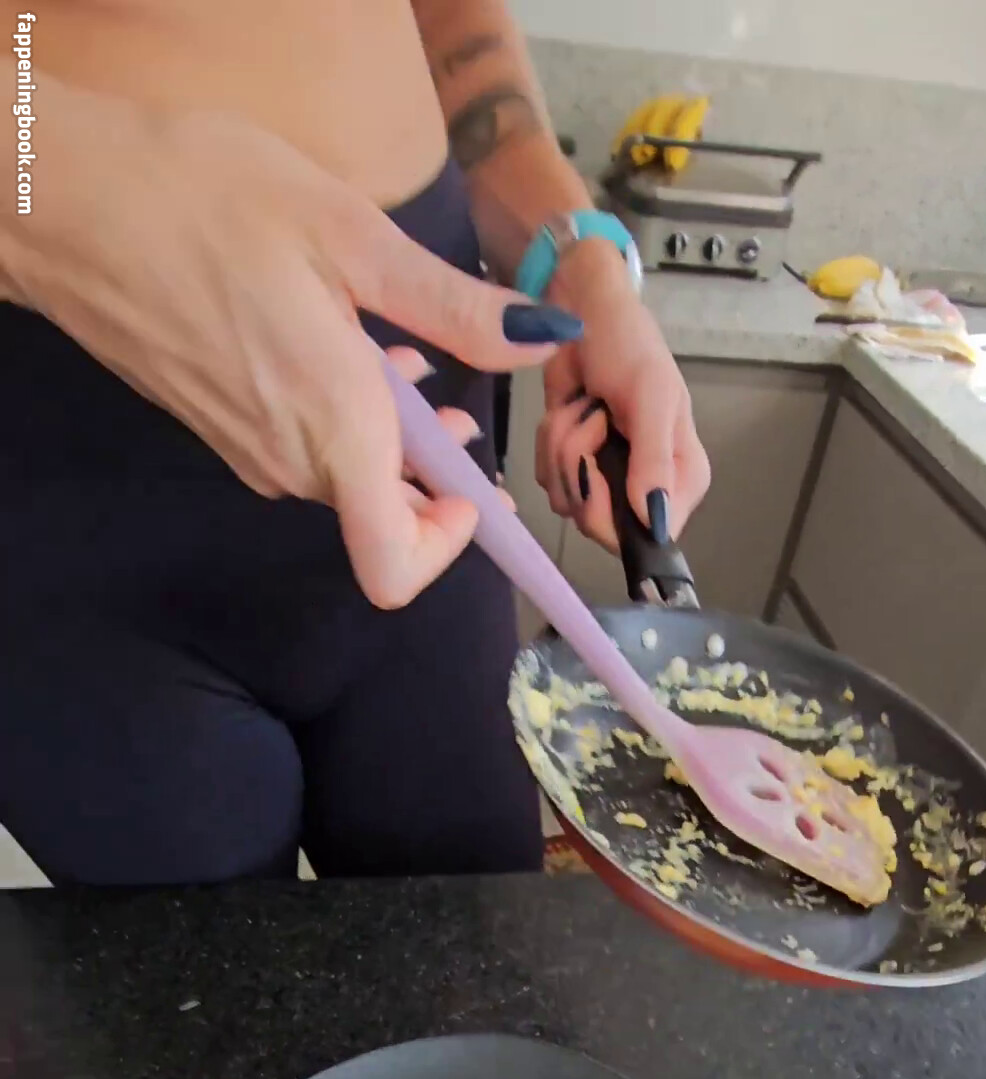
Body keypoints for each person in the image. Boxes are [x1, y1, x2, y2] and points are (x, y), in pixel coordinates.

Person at [0, 2, 709, 884]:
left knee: (476, 947)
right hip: (70, 434)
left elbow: (453, 33)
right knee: (198, 970)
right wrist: (43, 180)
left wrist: (574, 256)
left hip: (429, 429)